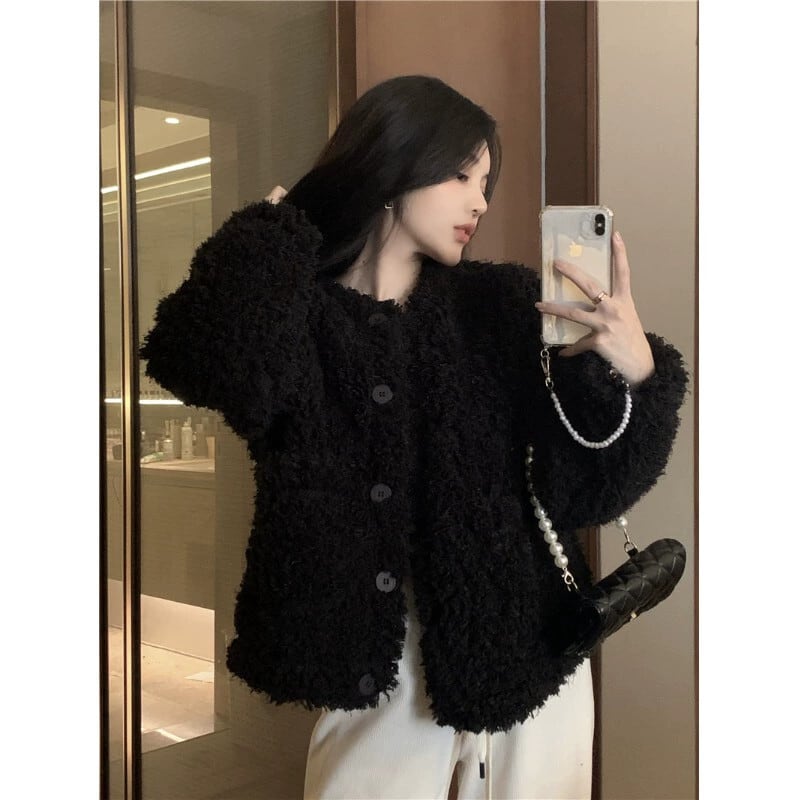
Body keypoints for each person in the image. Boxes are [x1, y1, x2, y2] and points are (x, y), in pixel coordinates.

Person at [140, 75, 688, 800]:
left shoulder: (500, 305)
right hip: (374, 672)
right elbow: (197, 360)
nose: (480, 202)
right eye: (461, 175)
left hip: (526, 656)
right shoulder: (299, 319)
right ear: (394, 162)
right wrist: (267, 234)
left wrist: (639, 372)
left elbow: (589, 490)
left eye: (486, 183)